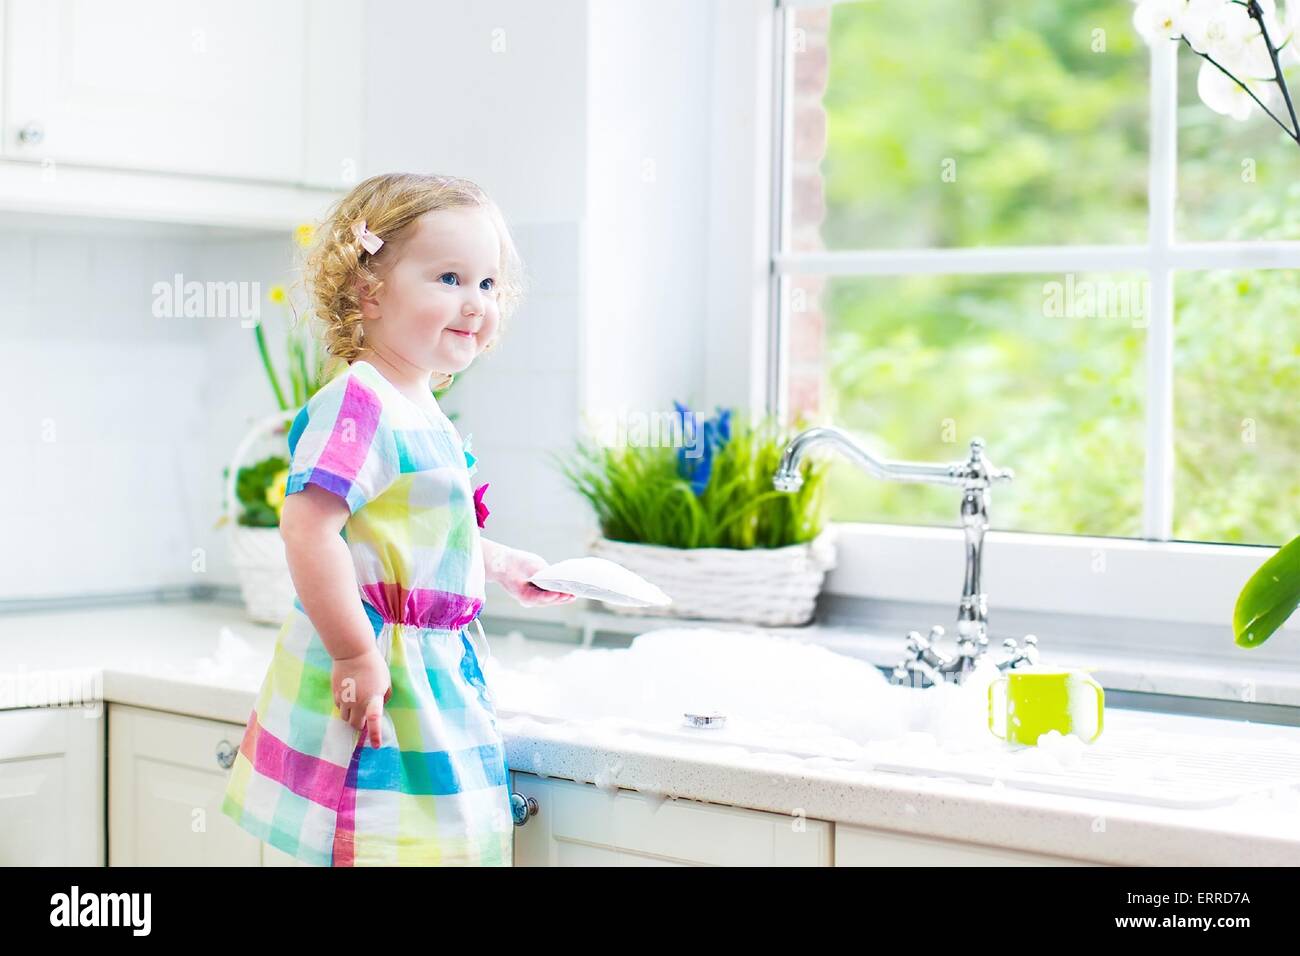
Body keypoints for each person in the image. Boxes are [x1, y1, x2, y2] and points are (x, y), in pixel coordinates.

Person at [221, 172, 575, 866]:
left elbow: (412, 536)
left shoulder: (418, 403)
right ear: (368, 288)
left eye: (488, 284)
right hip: (386, 671)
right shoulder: (361, 401)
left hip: (432, 672)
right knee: (388, 844)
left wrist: (497, 564)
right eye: (449, 277)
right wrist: (355, 654)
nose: (475, 303)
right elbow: (308, 527)